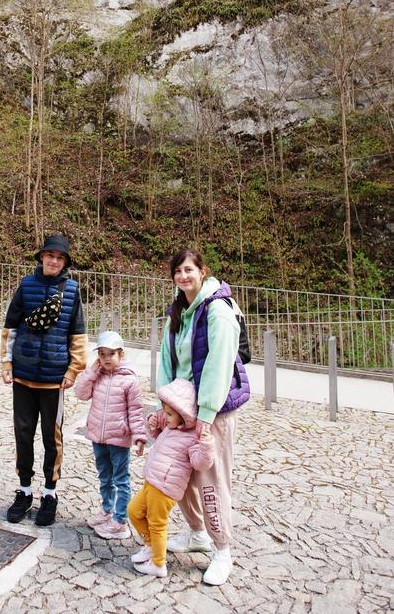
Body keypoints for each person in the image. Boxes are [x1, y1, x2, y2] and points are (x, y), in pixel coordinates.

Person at [154, 247, 250, 585]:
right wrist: (163, 407)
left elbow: (218, 367)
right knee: (177, 475)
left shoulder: (218, 311)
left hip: (214, 411)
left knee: (211, 480)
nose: (183, 276)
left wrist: (206, 416)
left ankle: (222, 549)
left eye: (189, 270)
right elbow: (167, 361)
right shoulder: (178, 311)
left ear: (202, 271)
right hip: (181, 410)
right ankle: (197, 532)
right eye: (178, 271)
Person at [1, 233, 87, 527]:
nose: (54, 260)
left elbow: (77, 333)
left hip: (54, 379)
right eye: (50, 255)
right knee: (23, 434)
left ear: (65, 262)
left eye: (60, 257)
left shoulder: (72, 291)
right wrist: (6, 363)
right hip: (23, 376)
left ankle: (49, 494)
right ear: (41, 257)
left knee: (53, 438)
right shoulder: (26, 285)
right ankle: (24, 490)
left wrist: (74, 369)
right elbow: (10, 325)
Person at [127, 377, 215, 578]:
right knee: (133, 511)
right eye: (164, 412)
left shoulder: (192, 436)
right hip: (152, 481)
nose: (165, 417)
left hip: (166, 488)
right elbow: (160, 442)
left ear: (183, 415)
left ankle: (158, 564)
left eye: (169, 414)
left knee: (157, 523)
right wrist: (153, 426)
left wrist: (206, 445)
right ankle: (151, 546)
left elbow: (200, 463)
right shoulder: (170, 428)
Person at [74, 330, 147, 540]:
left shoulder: (129, 381)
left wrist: (139, 436)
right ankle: (107, 511)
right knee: (104, 477)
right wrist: (91, 372)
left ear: (121, 355)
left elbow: (135, 410)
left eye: (111, 354)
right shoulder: (97, 376)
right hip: (98, 436)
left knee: (121, 480)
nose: (106, 358)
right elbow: (81, 394)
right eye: (102, 354)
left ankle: (120, 521)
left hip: (119, 439)